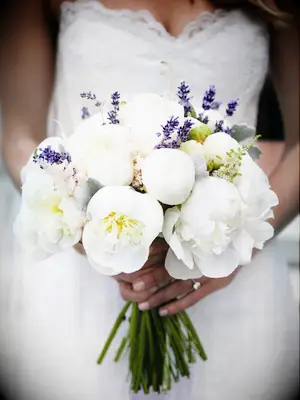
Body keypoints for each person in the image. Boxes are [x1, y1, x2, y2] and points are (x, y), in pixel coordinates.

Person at [0, 0, 299, 399]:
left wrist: (237, 250)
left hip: (227, 261)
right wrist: (76, 225)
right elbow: (19, 129)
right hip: (81, 274)